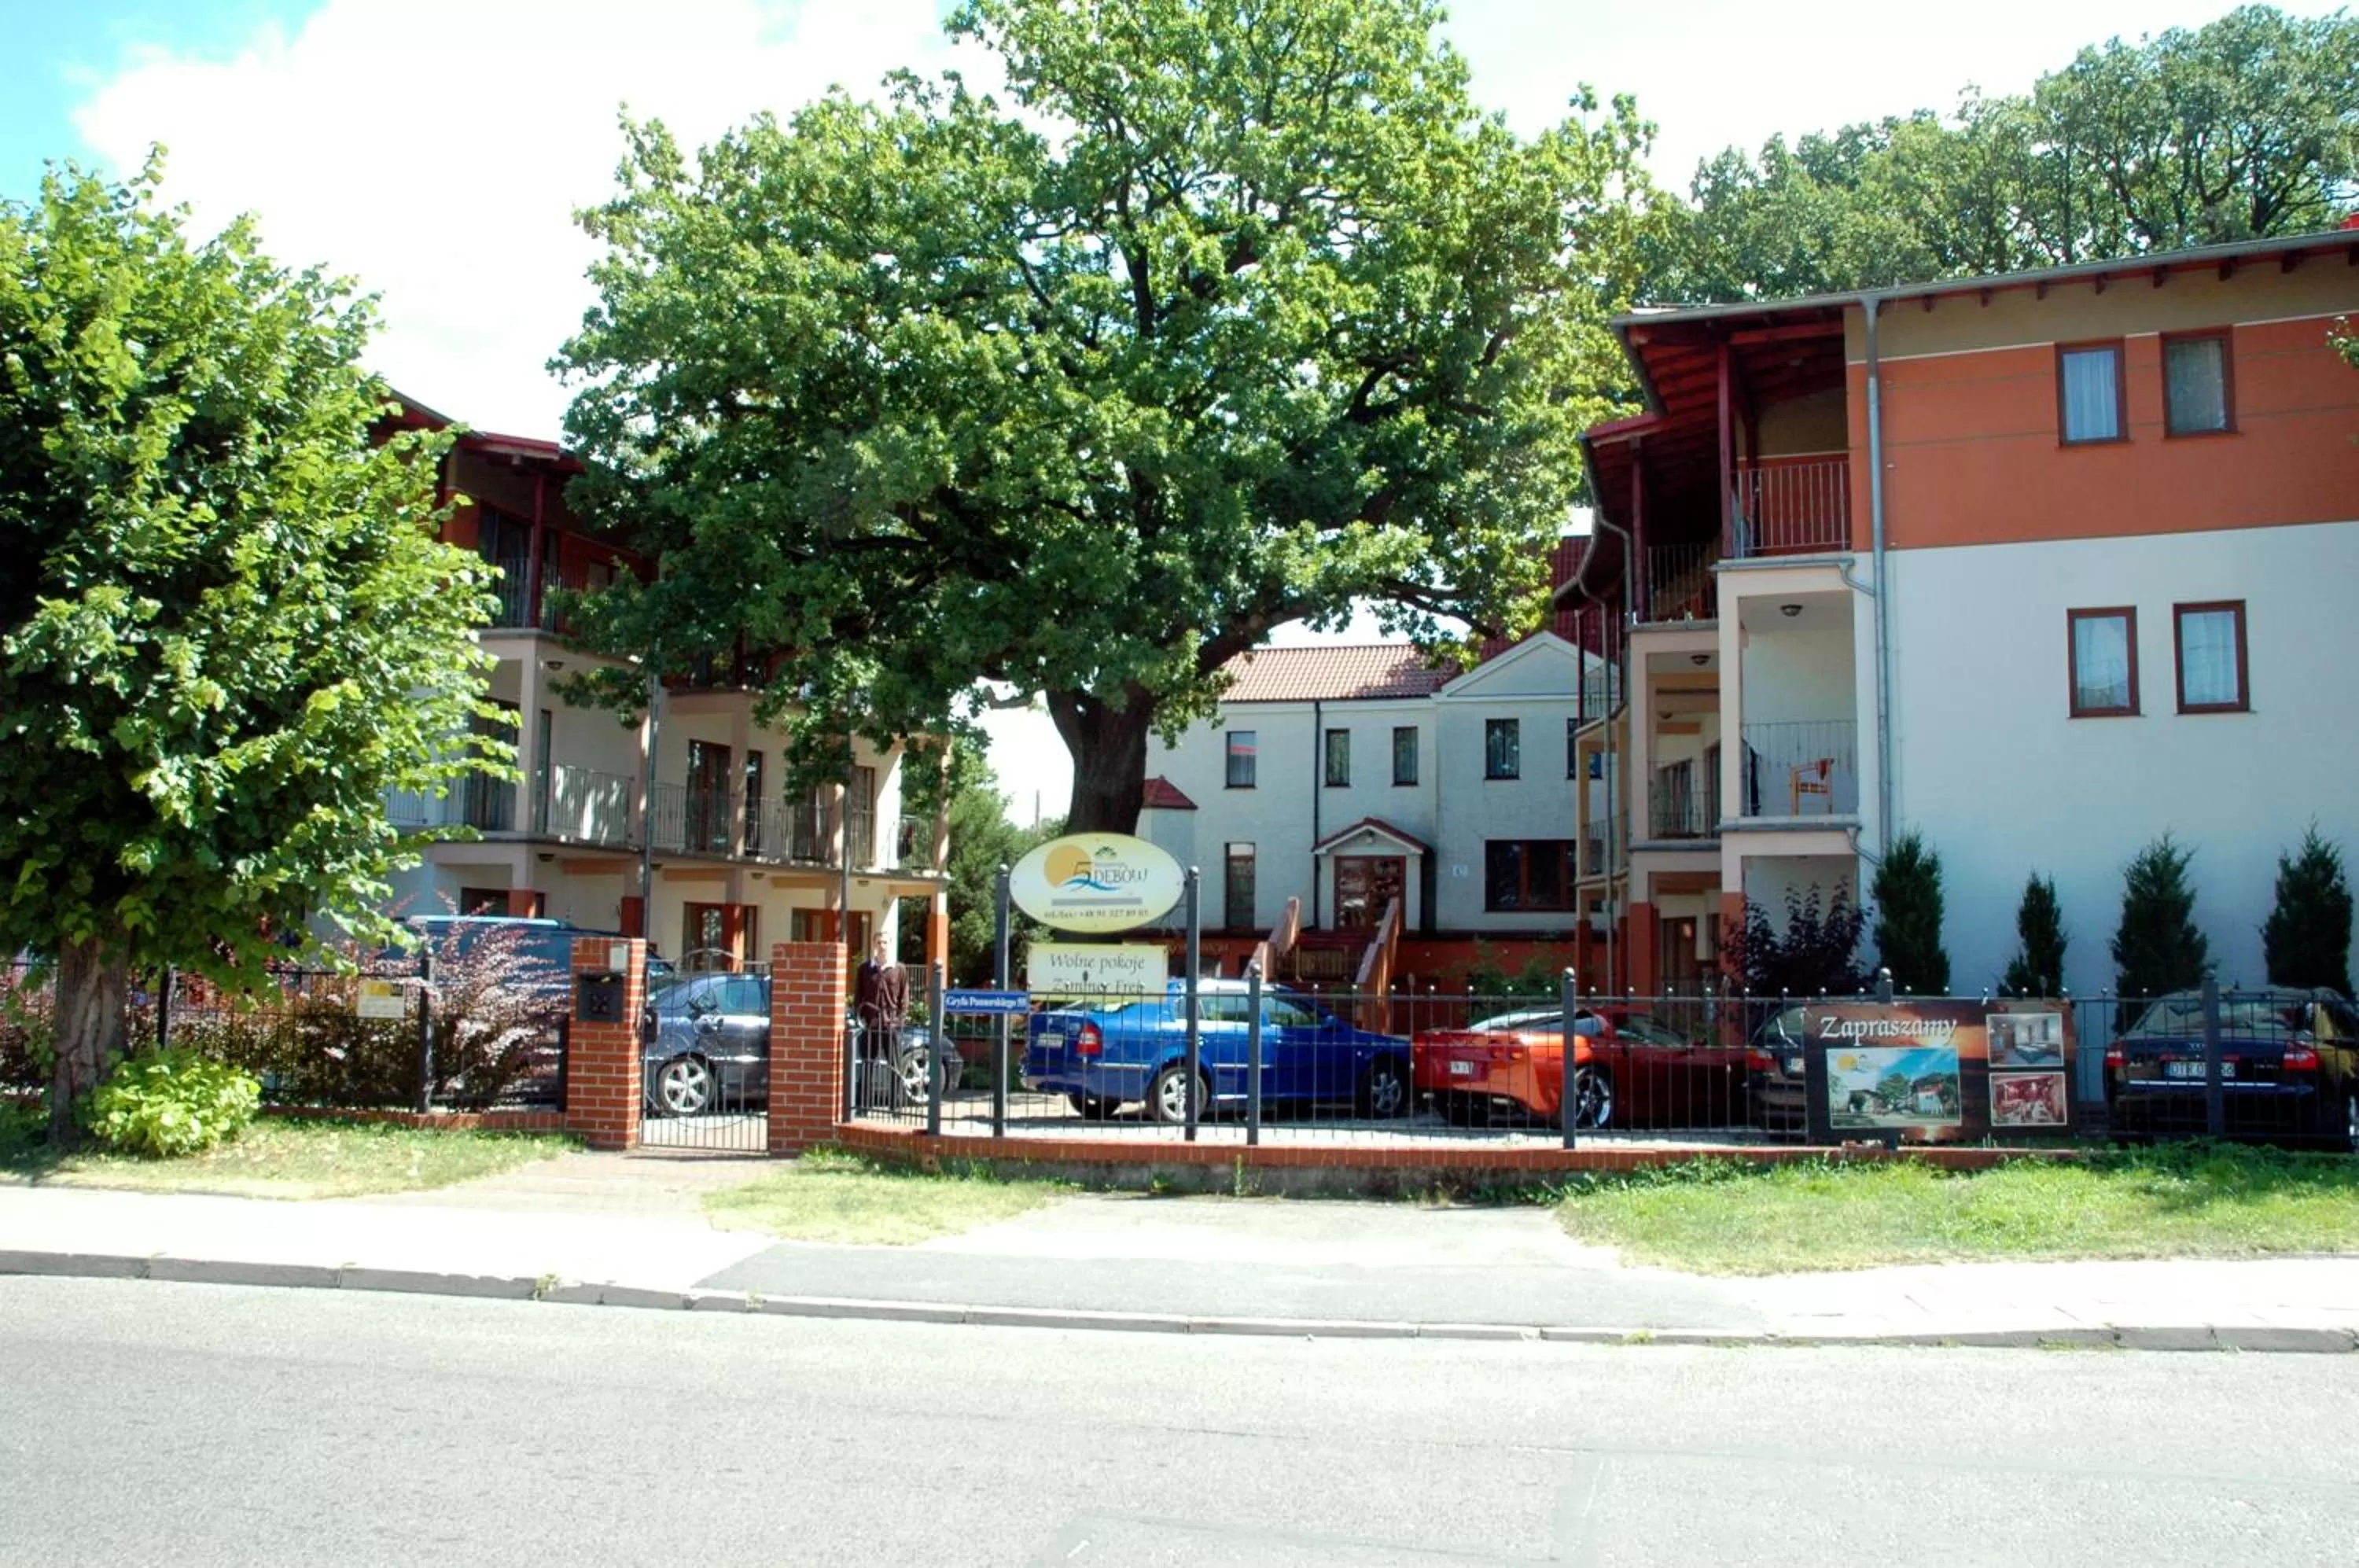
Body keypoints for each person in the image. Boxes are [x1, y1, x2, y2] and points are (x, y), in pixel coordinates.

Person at [853, 933, 908, 1064]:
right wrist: (860, 1018)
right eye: (879, 943)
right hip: (870, 1024)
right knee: (868, 1064)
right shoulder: (865, 969)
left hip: (891, 1024)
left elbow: (904, 997)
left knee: (895, 1064)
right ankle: (866, 1086)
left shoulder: (899, 969)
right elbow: (858, 996)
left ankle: (896, 1085)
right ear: (874, 945)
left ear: (890, 944)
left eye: (885, 942)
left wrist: (900, 1020)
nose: (882, 946)